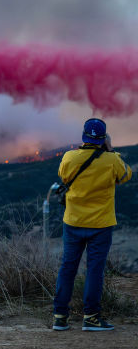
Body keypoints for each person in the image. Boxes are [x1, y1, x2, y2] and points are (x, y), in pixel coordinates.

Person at [52, 118, 131, 331]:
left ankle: (60, 317)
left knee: (68, 267)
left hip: (73, 221)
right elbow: (125, 175)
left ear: (83, 136)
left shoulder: (69, 157)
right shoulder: (112, 160)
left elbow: (63, 175)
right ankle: (92, 318)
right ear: (104, 138)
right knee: (95, 270)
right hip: (101, 224)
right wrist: (110, 149)